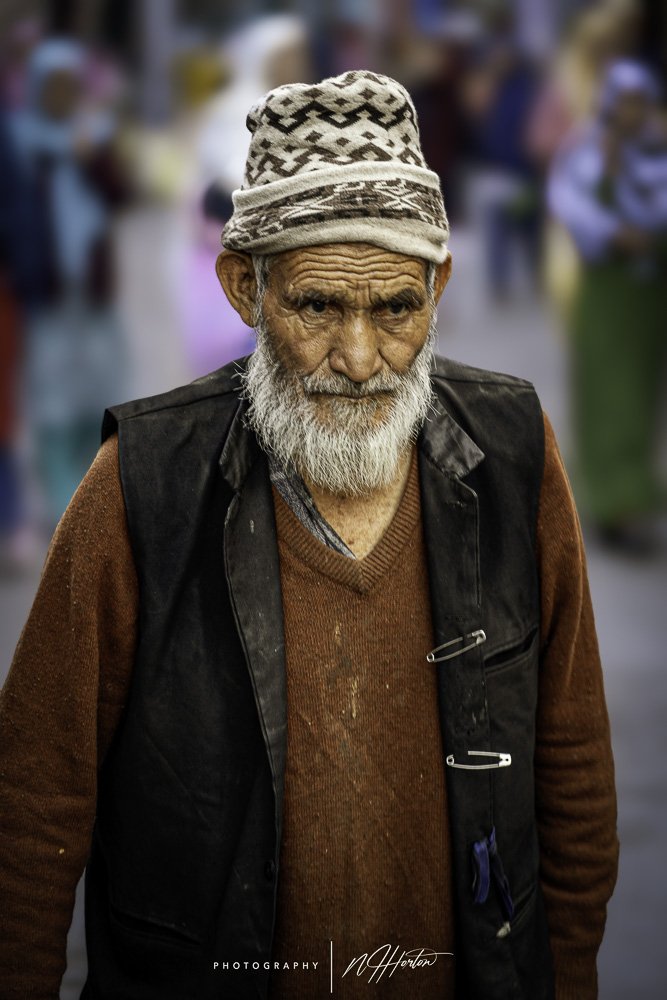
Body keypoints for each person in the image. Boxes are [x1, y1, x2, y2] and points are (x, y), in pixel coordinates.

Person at [0, 70, 619, 1000]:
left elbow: (571, 761)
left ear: (438, 286)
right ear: (245, 289)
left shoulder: (514, 453)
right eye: (317, 307)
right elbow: (33, 804)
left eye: (396, 309)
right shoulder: (141, 485)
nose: (361, 359)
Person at [2, 38, 129, 533]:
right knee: (51, 399)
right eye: (51, 86)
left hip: (92, 293)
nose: (61, 95)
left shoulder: (93, 134)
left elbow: (122, 194)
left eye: (68, 86)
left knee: (95, 393)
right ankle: (60, 507)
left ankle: (91, 497)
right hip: (47, 294)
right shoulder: (18, 143)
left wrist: (91, 155)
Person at [547, 59, 667, 552]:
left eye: (641, 102)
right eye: (626, 102)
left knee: (638, 398)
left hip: (646, 298)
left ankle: (631, 497)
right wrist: (611, 230)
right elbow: (567, 198)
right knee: (602, 395)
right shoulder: (587, 149)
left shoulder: (657, 148)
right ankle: (606, 502)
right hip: (603, 291)